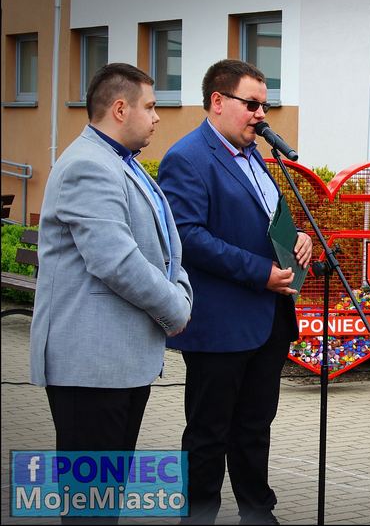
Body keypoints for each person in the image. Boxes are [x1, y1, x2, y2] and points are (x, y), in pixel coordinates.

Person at [29, 63, 193, 520]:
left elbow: (164, 247)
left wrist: (180, 291)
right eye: (152, 106)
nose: (158, 117)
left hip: (119, 365)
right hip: (90, 367)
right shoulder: (88, 166)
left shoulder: (124, 164)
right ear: (120, 109)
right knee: (90, 509)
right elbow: (115, 260)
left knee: (106, 501)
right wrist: (175, 310)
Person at [157, 59, 312, 525]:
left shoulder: (258, 158)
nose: (261, 115)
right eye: (252, 104)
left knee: (254, 427)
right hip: (220, 323)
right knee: (208, 432)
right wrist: (259, 271)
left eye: (265, 105)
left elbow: (267, 223)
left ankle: (257, 512)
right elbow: (187, 236)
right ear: (218, 101)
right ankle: (199, 515)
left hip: (268, 320)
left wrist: (296, 237)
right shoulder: (187, 158)